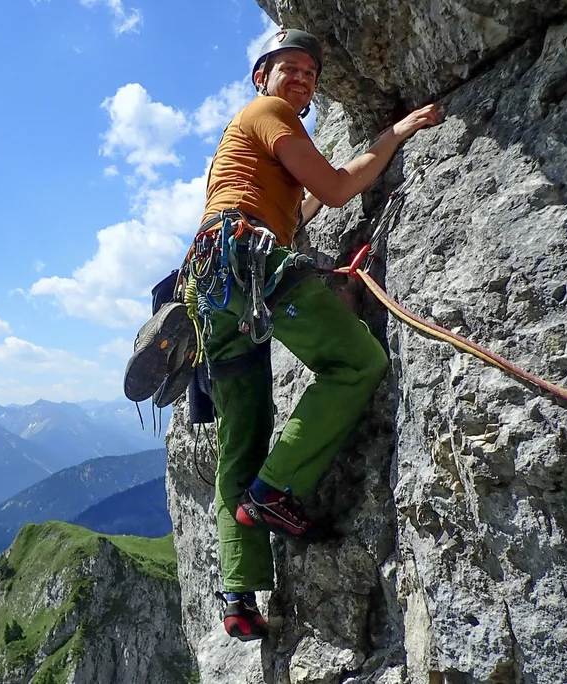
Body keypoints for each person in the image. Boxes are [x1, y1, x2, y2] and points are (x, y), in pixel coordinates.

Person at [200, 28, 443, 642]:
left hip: (212, 286)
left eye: (310, 73)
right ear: (263, 77)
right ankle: (275, 490)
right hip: (248, 261)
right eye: (290, 68)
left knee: (242, 433)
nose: (302, 79)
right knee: (357, 362)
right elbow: (334, 189)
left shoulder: (242, 142)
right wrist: (396, 133)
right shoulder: (269, 112)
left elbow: (300, 207)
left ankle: (237, 596)